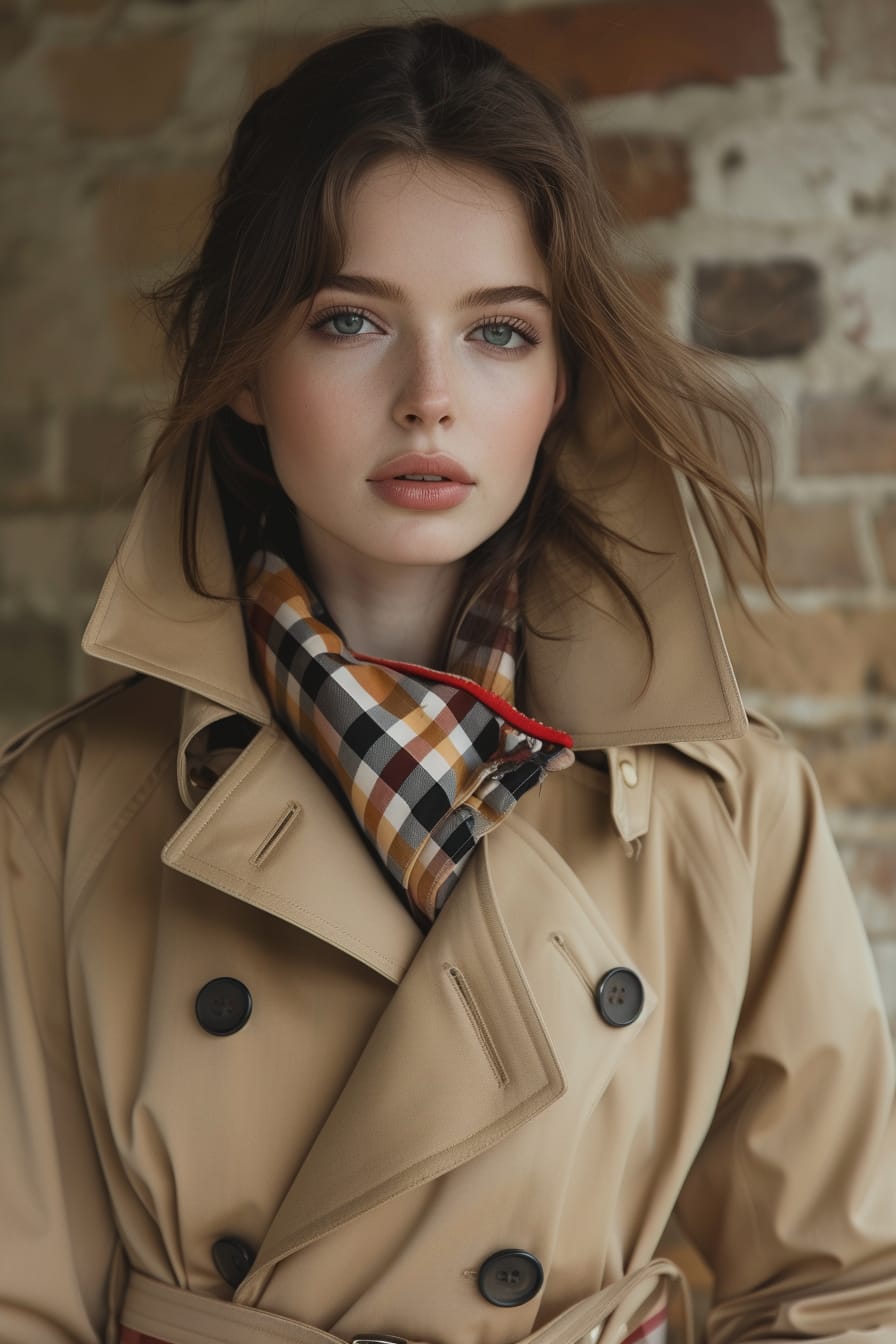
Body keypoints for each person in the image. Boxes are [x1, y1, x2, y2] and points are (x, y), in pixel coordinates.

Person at [1, 17, 894, 1344]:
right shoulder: (67, 809)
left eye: (500, 334)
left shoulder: (729, 806)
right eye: (351, 320)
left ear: (562, 379)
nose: (430, 398)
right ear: (247, 369)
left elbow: (845, 1287)